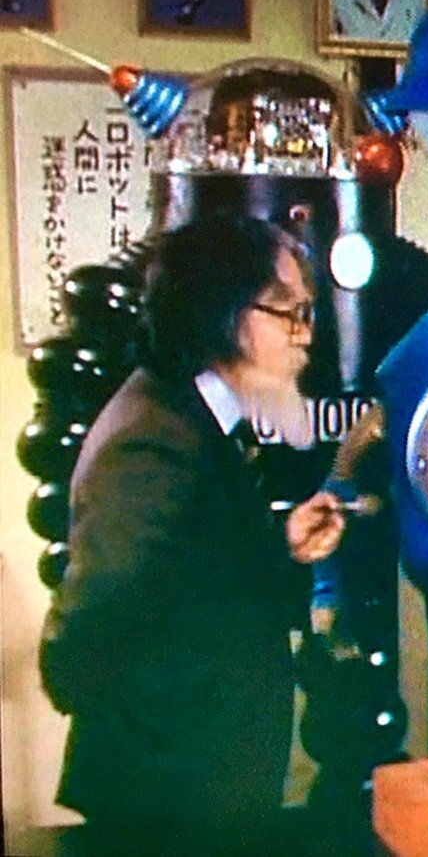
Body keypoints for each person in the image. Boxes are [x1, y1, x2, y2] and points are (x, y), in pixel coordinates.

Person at [40, 212, 346, 855]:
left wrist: (281, 545)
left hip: (199, 785)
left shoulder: (188, 416)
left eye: (307, 313)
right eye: (287, 313)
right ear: (221, 315)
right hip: (167, 797)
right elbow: (96, 616)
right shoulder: (150, 441)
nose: (305, 336)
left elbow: (186, 577)